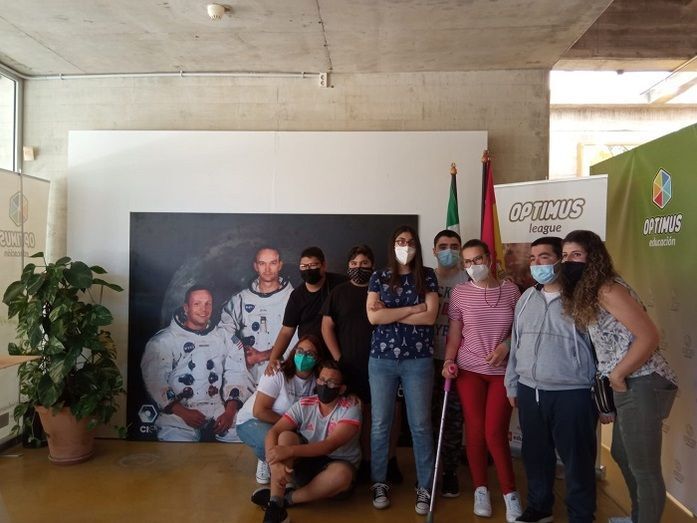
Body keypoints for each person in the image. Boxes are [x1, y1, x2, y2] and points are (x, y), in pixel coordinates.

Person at [561, 230, 678, 523]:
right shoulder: (592, 290)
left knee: (645, 469)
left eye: (576, 255)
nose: (569, 261)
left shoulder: (607, 289)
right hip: (629, 382)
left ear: (593, 257)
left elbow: (649, 336)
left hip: (643, 380)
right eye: (564, 256)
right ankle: (639, 516)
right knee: (623, 454)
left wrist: (618, 375)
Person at [505, 236, 598, 523]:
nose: (536, 264)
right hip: (529, 389)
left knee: (577, 460)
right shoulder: (526, 298)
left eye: (544, 257)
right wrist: (512, 382)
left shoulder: (582, 299)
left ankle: (581, 516)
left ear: (561, 260)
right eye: (533, 258)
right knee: (536, 455)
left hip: (573, 392)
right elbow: (515, 342)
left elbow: (599, 348)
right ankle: (539, 508)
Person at [442, 239, 523, 522]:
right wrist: (448, 361)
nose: (473, 266)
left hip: (502, 373)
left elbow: (521, 330)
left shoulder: (511, 291)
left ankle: (510, 494)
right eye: (467, 262)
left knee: (495, 433)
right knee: (475, 432)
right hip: (469, 371)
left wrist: (506, 345)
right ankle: (481, 489)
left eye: (477, 259)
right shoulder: (460, 293)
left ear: (489, 259)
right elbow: (455, 334)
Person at [366, 224, 439, 515]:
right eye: (400, 241)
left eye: (410, 241)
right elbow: (373, 318)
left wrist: (390, 314)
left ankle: (425, 485)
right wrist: (413, 308)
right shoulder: (379, 276)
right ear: (392, 244)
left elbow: (430, 317)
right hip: (381, 360)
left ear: (417, 246)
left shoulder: (427, 275)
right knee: (380, 423)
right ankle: (379, 481)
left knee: (420, 425)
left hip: (418, 360)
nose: (405, 246)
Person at [321, 244, 403, 483]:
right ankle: (367, 462)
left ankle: (390, 459)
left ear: (373, 266)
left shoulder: (384, 291)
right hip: (352, 366)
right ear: (348, 266)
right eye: (354, 264)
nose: (359, 268)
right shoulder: (339, 293)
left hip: (386, 362)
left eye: (364, 263)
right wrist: (339, 358)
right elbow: (326, 327)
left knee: (393, 412)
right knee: (365, 413)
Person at [252, 360, 362, 523]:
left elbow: (329, 446)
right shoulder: (305, 404)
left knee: (341, 474)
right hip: (305, 465)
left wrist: (289, 451)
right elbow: (274, 431)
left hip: (336, 469)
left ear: (342, 389)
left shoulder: (350, 409)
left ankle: (287, 499)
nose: (324, 385)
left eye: (331, 382)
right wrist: (273, 463)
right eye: (322, 380)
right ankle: (275, 502)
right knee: (285, 437)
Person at [140, 285, 249, 442]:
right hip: (178, 413)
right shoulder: (163, 341)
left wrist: (230, 412)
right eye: (197, 304)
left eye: (207, 304)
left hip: (218, 411)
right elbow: (155, 381)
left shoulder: (225, 338)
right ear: (186, 308)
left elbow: (236, 374)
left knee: (244, 439)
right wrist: (183, 412)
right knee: (177, 450)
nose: (203, 309)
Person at [236, 334, 327, 485]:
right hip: (253, 421)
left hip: (287, 427)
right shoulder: (277, 372)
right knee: (274, 444)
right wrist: (291, 424)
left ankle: (283, 473)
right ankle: (265, 460)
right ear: (294, 352)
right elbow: (259, 411)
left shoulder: (318, 381)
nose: (303, 357)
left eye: (310, 354)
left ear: (318, 359)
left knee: (298, 462)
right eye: (300, 351)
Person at [220, 247, 295, 389]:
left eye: (273, 263)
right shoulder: (242, 299)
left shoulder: (293, 298)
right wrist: (239, 350)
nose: (267, 269)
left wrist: (262, 356)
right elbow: (224, 329)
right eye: (262, 263)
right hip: (247, 375)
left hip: (283, 374)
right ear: (255, 266)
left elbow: (298, 341)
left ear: (280, 265)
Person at [265, 246, 347, 374]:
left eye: (313, 265)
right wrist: (273, 359)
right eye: (304, 266)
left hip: (341, 352)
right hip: (311, 356)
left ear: (324, 265)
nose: (308, 270)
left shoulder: (341, 285)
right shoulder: (297, 296)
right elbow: (286, 331)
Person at [430, 229, 468, 497]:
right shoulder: (425, 278)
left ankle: (450, 471)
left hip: (457, 361)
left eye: (455, 246)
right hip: (425, 359)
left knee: (453, 419)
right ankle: (429, 472)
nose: (449, 251)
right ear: (434, 250)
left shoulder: (469, 279)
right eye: (443, 246)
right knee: (426, 419)